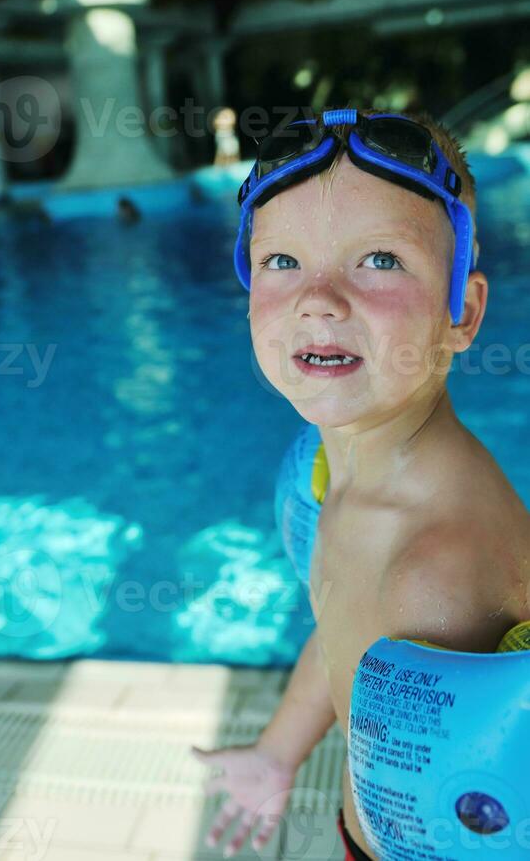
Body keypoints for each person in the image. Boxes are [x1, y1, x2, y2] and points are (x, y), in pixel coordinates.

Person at [191, 107, 530, 859]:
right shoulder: (328, 471)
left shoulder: (435, 579)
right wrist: (279, 753)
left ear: (461, 313)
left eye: (378, 259)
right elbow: (344, 638)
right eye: (282, 261)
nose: (319, 298)